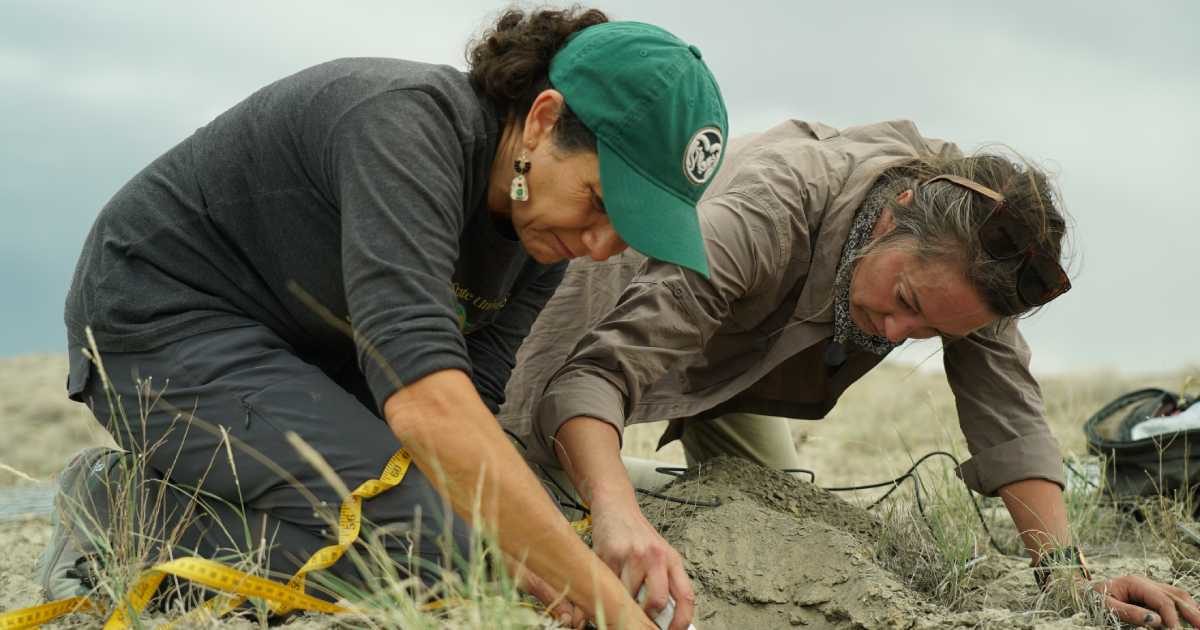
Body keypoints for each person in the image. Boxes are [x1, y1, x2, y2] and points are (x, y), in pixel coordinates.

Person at [44, 7, 729, 628]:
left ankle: (182, 505)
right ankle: (128, 512)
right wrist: (608, 609)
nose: (602, 245)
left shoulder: (541, 235)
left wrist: (536, 553)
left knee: (477, 555)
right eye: (601, 201)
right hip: (157, 326)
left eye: (628, 229)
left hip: (300, 361)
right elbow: (429, 405)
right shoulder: (405, 124)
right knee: (439, 553)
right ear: (545, 121)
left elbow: (474, 408)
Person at [500, 119, 1200, 629]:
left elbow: (1008, 415)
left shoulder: (972, 258)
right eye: (905, 304)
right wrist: (617, 515)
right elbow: (593, 376)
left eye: (929, 333)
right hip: (606, 311)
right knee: (523, 496)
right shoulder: (768, 207)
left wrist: (1069, 580)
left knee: (771, 505)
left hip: (748, 362)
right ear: (893, 216)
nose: (896, 335)